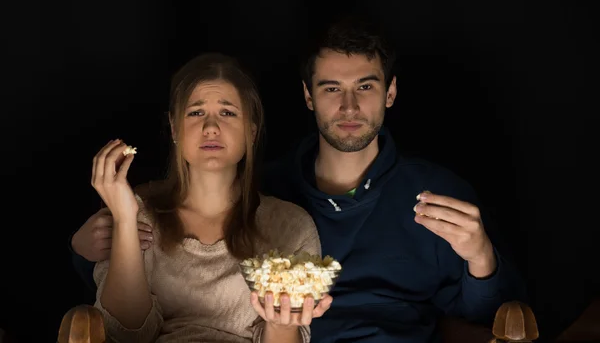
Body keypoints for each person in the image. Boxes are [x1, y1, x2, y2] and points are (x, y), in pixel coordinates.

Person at [70, 17, 527, 342]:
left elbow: (484, 316)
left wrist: (481, 257)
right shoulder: (272, 188)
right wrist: (87, 247)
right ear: (308, 97)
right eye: (332, 89)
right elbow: (123, 288)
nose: (349, 108)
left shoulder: (434, 194)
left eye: (365, 87)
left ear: (390, 92)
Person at [80, 53, 331, 343]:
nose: (211, 127)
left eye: (227, 113)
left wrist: (282, 323)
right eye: (196, 113)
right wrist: (124, 218)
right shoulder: (137, 215)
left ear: (251, 130)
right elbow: (123, 334)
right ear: (175, 129)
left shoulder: (291, 226)